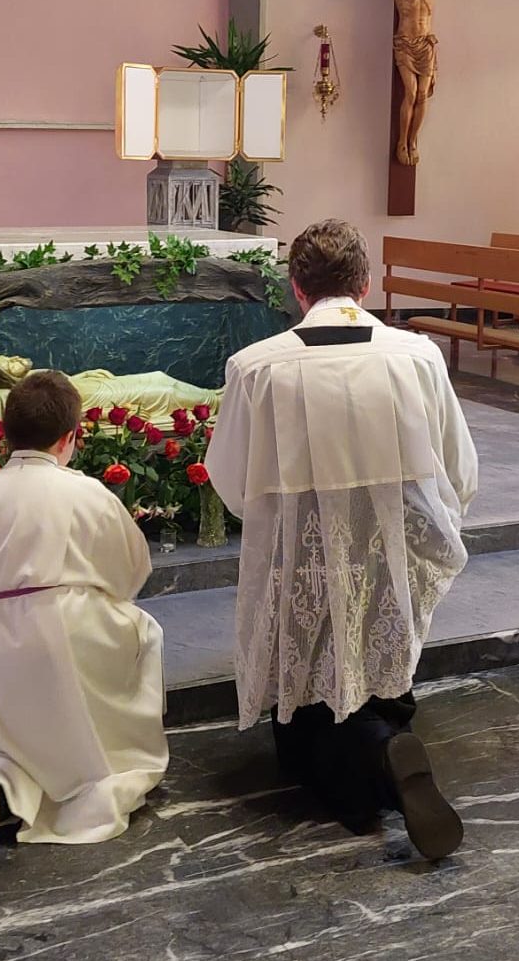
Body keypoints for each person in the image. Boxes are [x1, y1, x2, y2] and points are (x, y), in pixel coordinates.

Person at [205, 218, 479, 859]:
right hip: (394, 556)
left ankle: (378, 757)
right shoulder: (417, 356)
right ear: (366, 283)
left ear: (297, 289)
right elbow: (458, 469)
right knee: (378, 669)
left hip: (302, 558)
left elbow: (232, 481)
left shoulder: (256, 368)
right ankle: (389, 736)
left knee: (304, 727)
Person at [0, 370, 167, 885]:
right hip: (74, 636)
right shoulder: (88, 494)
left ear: (5, 432)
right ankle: (89, 775)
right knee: (141, 630)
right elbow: (131, 573)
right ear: (69, 438)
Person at [323, 0, 498, 166]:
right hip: (405, 42)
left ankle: (413, 139)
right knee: (411, 92)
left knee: (423, 95)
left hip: (425, 43)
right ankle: (401, 142)